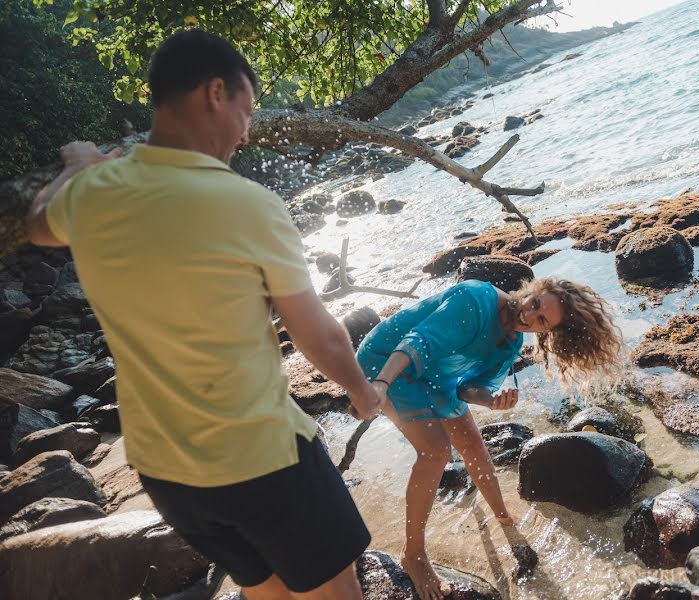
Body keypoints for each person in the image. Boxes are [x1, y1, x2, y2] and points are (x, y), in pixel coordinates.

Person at [25, 30, 384, 600]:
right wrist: (362, 390)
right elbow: (315, 331)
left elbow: (37, 220)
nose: (246, 129)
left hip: (169, 473)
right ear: (215, 92)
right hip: (263, 460)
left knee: (264, 591)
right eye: (246, 107)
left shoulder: (91, 193)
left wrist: (79, 164)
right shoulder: (247, 203)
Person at [356, 277, 623, 600]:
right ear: (533, 290)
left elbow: (466, 388)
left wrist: (491, 400)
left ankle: (503, 516)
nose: (528, 315)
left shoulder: (510, 345)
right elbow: (418, 341)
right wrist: (381, 384)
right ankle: (413, 554)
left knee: (472, 445)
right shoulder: (475, 298)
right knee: (436, 452)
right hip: (387, 360)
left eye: (541, 321)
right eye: (534, 303)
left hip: (436, 375)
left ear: (548, 334)